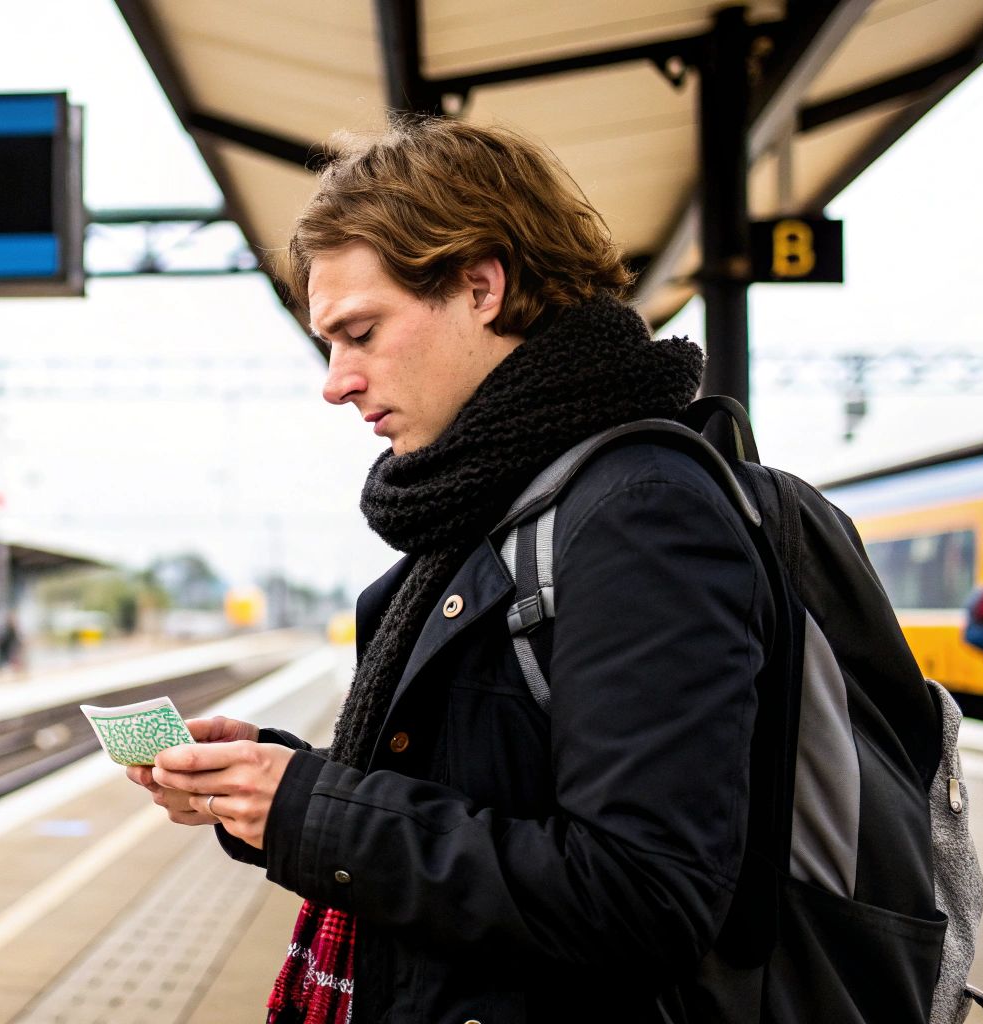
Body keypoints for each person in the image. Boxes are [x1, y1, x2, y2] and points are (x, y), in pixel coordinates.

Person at [127, 118, 772, 1022]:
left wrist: (310, 808)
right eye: (327, 344)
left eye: (359, 332)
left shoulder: (636, 512)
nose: (336, 381)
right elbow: (480, 794)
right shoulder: (491, 510)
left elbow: (644, 898)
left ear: (481, 286)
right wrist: (271, 781)